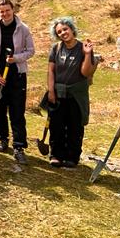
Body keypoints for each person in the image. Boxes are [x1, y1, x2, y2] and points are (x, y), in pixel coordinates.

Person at [0, 0, 35, 164]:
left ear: (13, 10)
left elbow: (31, 51)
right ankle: (3, 140)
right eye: (1, 11)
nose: (5, 14)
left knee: (17, 111)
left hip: (17, 76)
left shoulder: (23, 29)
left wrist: (15, 59)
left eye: (7, 10)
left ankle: (19, 146)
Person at [45, 16, 97, 168]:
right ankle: (56, 155)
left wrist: (87, 54)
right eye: (59, 32)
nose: (63, 33)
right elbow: (51, 71)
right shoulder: (56, 49)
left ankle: (72, 157)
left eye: (65, 29)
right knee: (56, 125)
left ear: (72, 29)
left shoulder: (83, 47)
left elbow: (86, 73)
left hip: (77, 95)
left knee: (75, 126)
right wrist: (51, 91)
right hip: (58, 93)